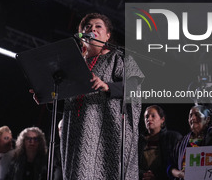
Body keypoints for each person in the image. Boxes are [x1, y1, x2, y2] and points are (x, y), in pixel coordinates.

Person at [60, 13, 144, 179]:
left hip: (105, 133)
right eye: (87, 27)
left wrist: (108, 86)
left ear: (108, 35)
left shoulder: (118, 58)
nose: (92, 29)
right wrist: (47, 96)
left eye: (98, 26)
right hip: (76, 131)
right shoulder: (74, 66)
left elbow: (136, 88)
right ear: (82, 36)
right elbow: (68, 101)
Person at [168, 105, 212, 179]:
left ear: (207, 119)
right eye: (190, 115)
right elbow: (170, 166)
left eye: (197, 115)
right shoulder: (182, 142)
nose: (192, 118)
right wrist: (180, 174)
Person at [138, 105, 182, 180]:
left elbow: (177, 165)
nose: (149, 119)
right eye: (146, 117)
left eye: (153, 116)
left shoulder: (173, 138)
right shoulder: (139, 140)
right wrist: (144, 175)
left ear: (162, 119)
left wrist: (157, 176)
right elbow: (131, 165)